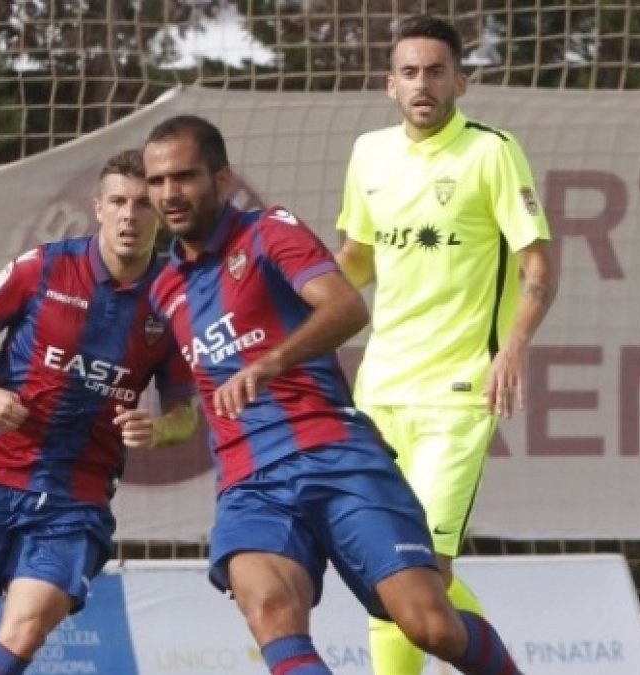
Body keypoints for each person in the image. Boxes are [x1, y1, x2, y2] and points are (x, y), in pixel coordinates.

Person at [143, 114, 523, 675]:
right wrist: (155, 427)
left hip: (336, 455)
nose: (170, 194)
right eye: (157, 182)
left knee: (428, 624)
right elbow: (179, 406)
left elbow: (347, 306)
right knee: (270, 609)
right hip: (251, 483)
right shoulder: (163, 290)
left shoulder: (269, 231)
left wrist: (272, 362)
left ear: (221, 180)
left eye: (184, 177)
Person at [0, 148, 198, 675]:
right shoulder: (45, 266)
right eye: (118, 201)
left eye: (143, 205)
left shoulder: (174, 301)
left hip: (77, 493)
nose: (129, 216)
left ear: (161, 214)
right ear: (97, 207)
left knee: (25, 629)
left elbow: (186, 412)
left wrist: (160, 429)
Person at [333, 15, 556, 675]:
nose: (422, 84)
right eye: (409, 72)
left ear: (461, 80)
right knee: (389, 567)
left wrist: (514, 346)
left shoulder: (491, 152)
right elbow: (357, 259)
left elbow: (539, 266)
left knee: (421, 562)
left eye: (435, 71)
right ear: (389, 85)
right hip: (379, 391)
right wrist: (292, 310)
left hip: (459, 392)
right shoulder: (369, 155)